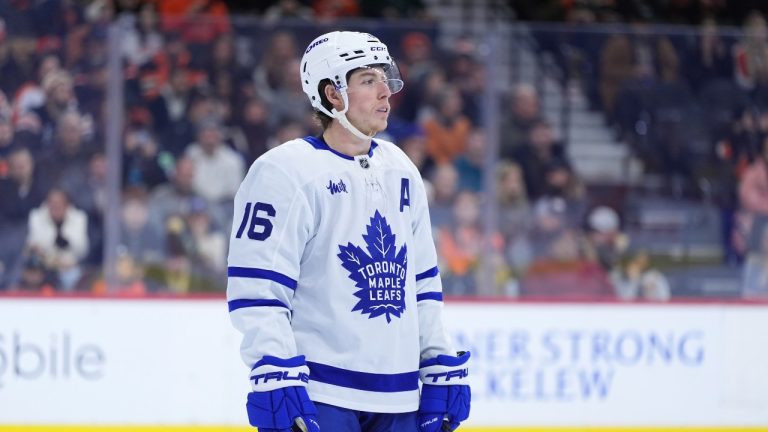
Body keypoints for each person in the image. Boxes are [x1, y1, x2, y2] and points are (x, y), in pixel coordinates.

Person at [226, 31, 470, 432]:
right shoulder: (284, 172)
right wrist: (275, 369)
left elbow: (423, 283)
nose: (385, 93)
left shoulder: (401, 168)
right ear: (332, 95)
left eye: (385, 79)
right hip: (322, 391)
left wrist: (438, 360)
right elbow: (259, 288)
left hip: (400, 394)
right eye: (368, 80)